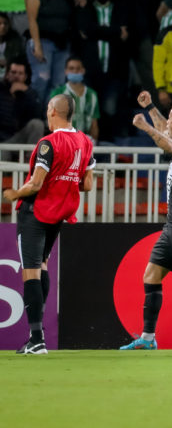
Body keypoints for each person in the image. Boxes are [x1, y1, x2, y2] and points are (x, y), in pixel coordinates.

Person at [4, 93, 95, 354]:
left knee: (30, 271)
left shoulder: (48, 143)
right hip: (59, 215)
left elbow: (36, 183)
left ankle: (36, 339)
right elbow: (87, 184)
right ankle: (38, 336)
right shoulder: (85, 142)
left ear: (53, 111)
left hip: (36, 212)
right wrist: (65, 182)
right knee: (41, 267)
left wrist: (13, 194)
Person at [120, 102, 172, 351]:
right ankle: (147, 338)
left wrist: (145, 126)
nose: (165, 127)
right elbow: (167, 135)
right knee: (151, 276)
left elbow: (168, 142)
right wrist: (151, 107)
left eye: (168, 124)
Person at [76, 0, 129, 141]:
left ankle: (106, 146)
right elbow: (85, 30)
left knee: (110, 109)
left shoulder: (121, 8)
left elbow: (125, 35)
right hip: (91, 68)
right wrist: (113, 31)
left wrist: (96, 31)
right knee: (89, 108)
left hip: (114, 69)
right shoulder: (86, 7)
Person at [26, 0, 76, 102]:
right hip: (42, 42)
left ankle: (49, 120)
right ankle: (34, 118)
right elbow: (32, 20)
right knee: (41, 80)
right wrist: (37, 45)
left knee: (58, 84)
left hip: (62, 44)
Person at [48, 57, 100, 142]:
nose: (75, 71)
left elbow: (94, 124)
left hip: (85, 140)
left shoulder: (92, 95)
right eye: (71, 68)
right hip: (63, 140)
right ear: (66, 71)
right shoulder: (57, 94)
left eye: (78, 68)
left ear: (83, 71)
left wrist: (93, 142)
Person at [0, 59, 44, 148]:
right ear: (7, 74)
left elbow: (39, 115)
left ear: (25, 77)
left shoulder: (30, 94)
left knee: (37, 124)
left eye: (20, 73)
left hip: (19, 138)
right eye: (13, 72)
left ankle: (30, 159)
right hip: (2, 141)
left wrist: (27, 92)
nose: (16, 76)